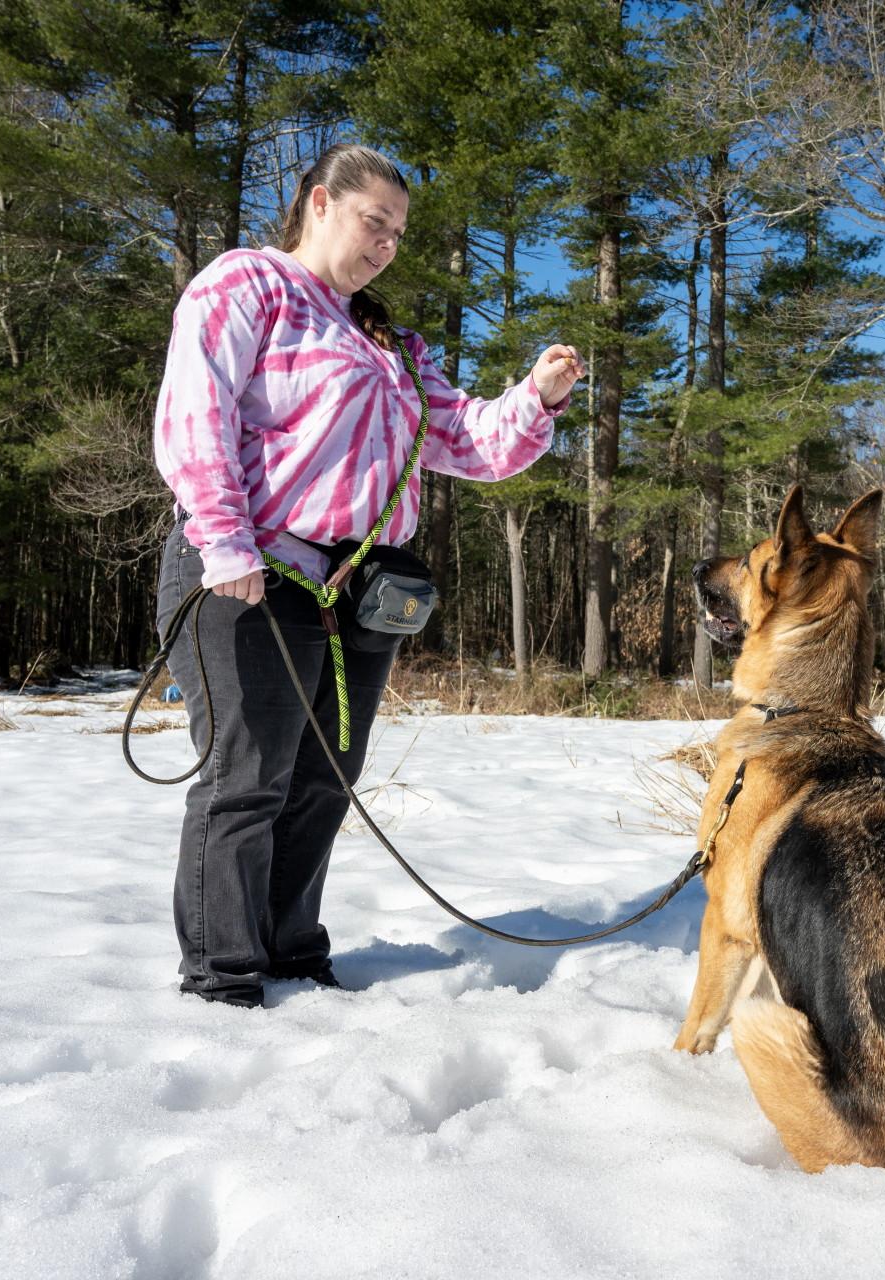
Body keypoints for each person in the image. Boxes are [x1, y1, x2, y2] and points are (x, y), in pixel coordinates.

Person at [152, 144, 583, 1008]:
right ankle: (223, 978)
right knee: (248, 778)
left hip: (354, 592)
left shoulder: (389, 338)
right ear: (320, 204)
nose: (386, 242)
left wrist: (536, 395)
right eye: (373, 221)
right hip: (248, 569)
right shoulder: (248, 285)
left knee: (323, 779)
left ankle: (292, 955)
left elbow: (467, 440)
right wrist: (225, 540)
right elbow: (194, 406)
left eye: (397, 233)